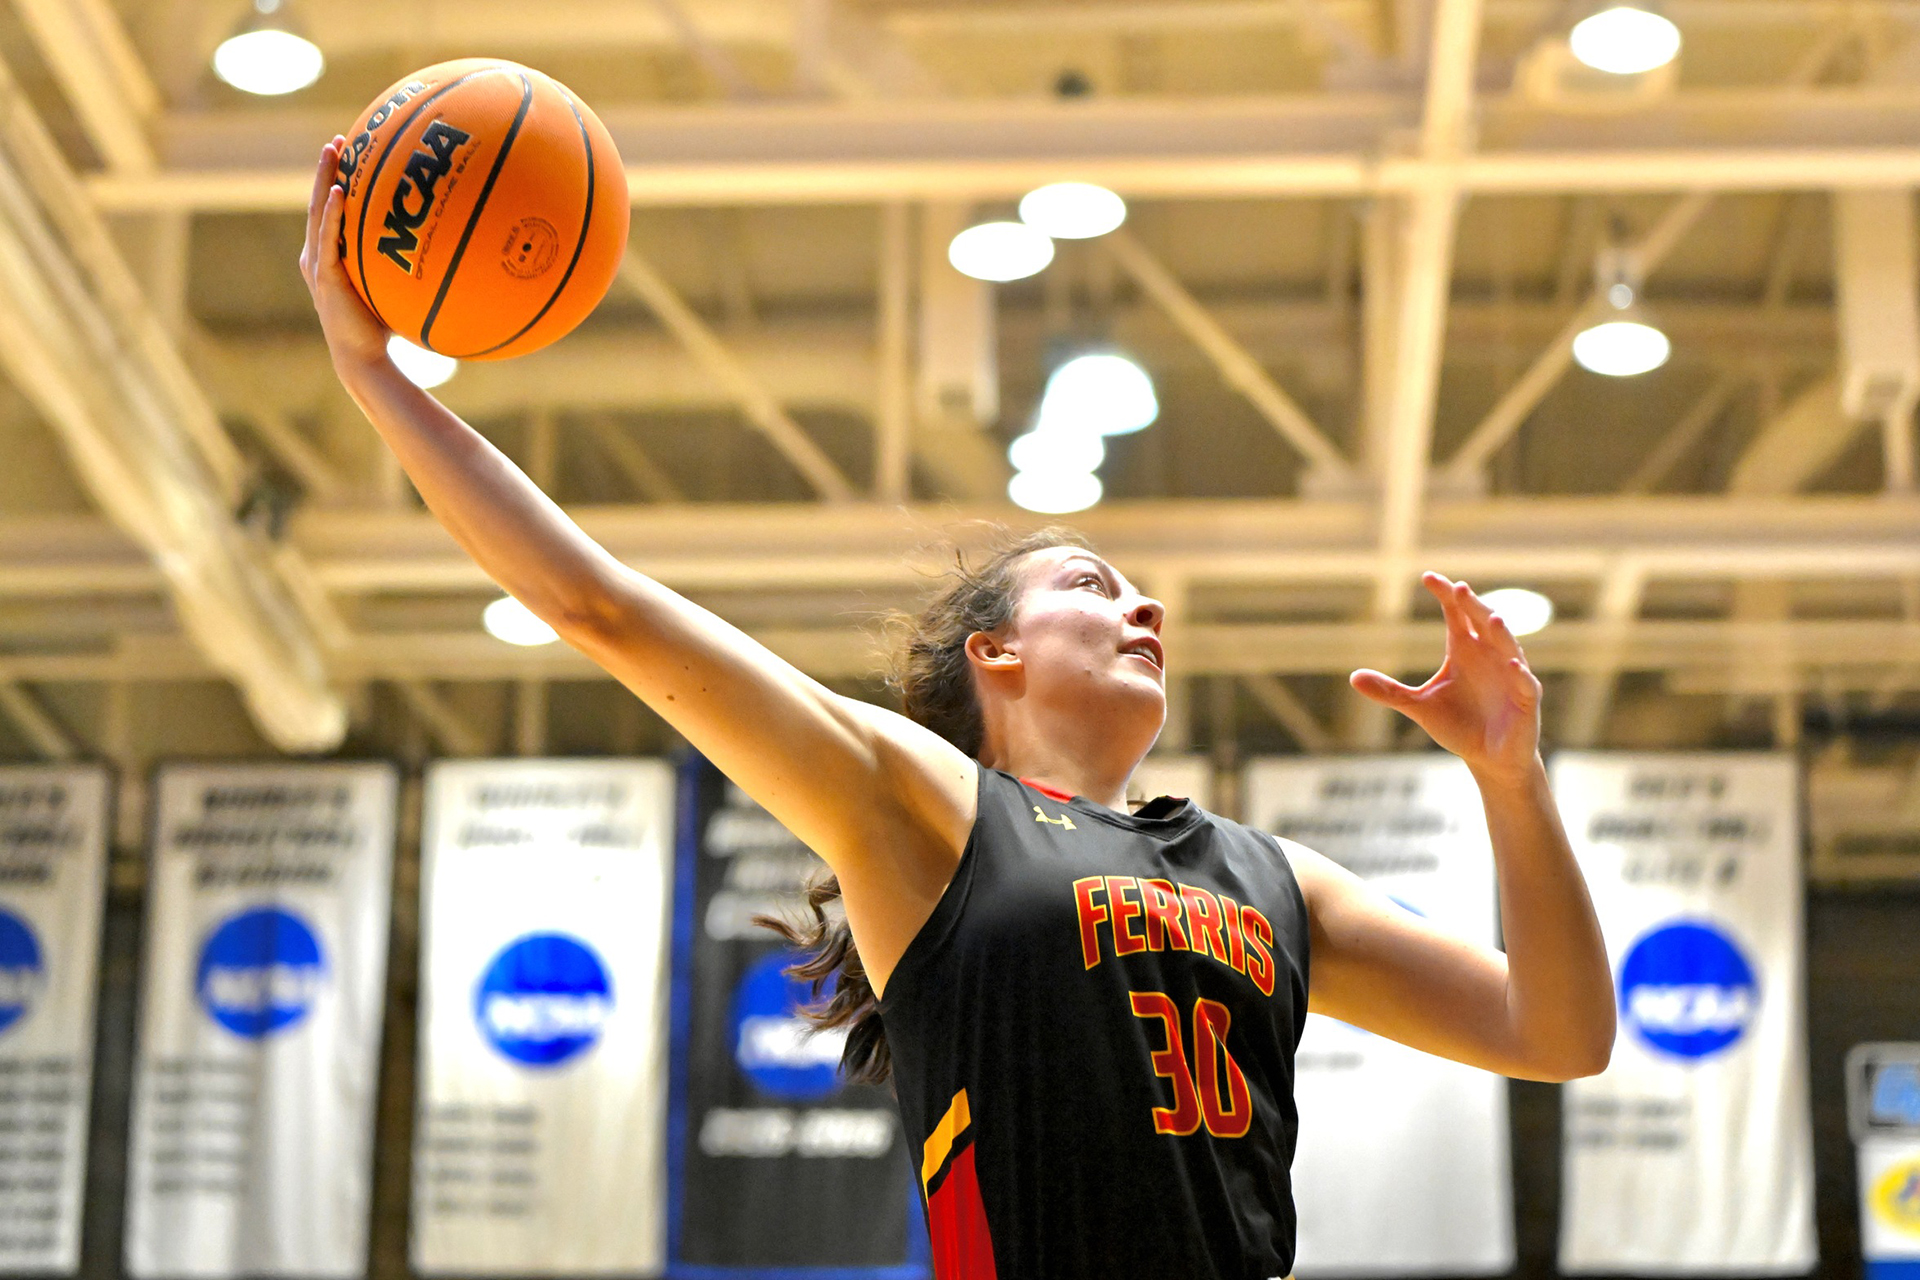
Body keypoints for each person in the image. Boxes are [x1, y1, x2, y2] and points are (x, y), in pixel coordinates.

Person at [300, 138, 1614, 1280]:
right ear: (992, 651)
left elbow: (1558, 1035)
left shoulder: (1273, 877)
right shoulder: (922, 812)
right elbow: (600, 606)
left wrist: (1512, 777)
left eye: (1148, 593)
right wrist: (377, 380)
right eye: (1097, 586)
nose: (1145, 608)